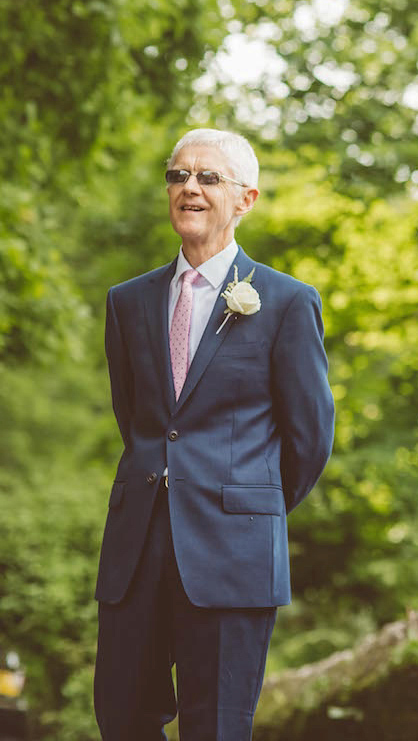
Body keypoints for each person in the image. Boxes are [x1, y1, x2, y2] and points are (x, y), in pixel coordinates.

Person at [93, 129, 336, 739]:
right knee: (120, 717)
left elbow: (309, 437)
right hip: (136, 549)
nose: (189, 188)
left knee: (218, 729)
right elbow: (138, 421)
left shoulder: (285, 302)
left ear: (245, 199)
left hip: (235, 554)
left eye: (207, 178)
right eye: (178, 177)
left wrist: (248, 508)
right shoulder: (127, 302)